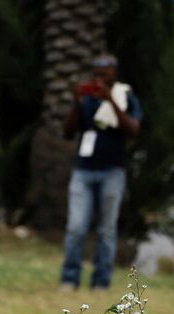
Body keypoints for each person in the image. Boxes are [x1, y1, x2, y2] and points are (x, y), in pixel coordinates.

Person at [60, 54, 142, 291]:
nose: (99, 79)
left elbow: (133, 128)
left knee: (106, 230)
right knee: (76, 228)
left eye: (104, 74)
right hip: (83, 171)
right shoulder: (88, 100)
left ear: (114, 73)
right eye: (95, 74)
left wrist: (110, 101)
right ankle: (70, 278)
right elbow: (68, 132)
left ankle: (101, 282)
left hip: (112, 172)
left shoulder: (125, 97)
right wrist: (77, 103)